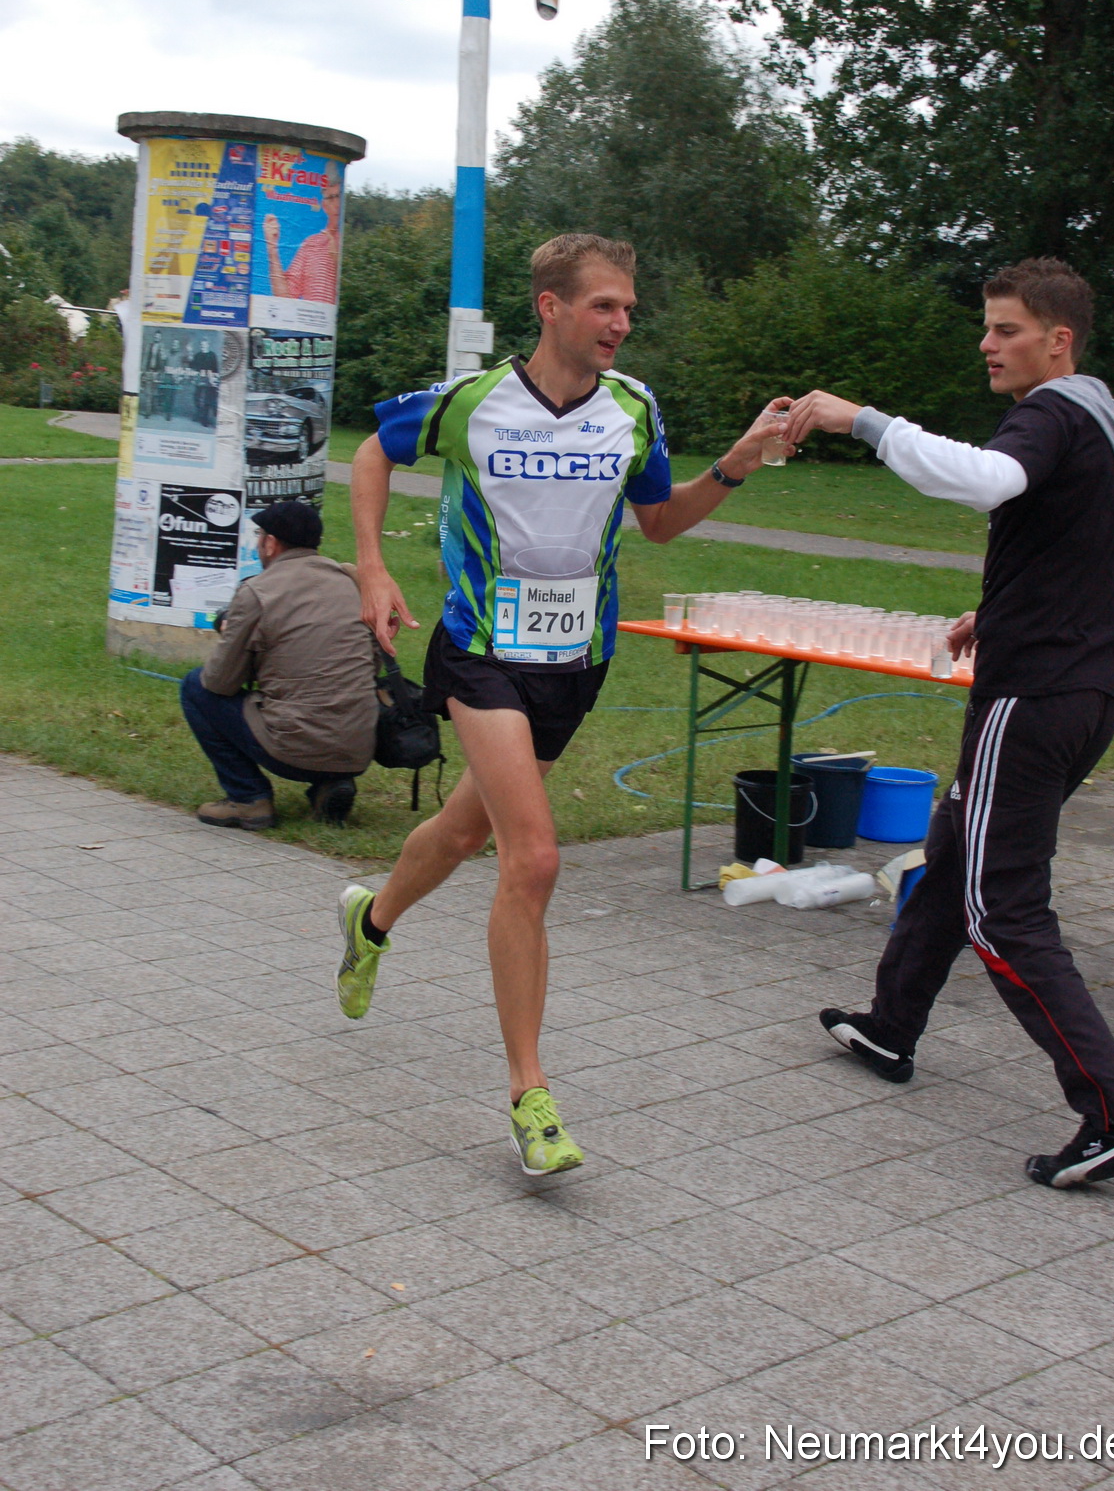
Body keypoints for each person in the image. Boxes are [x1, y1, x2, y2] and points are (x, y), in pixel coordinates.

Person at [336, 232, 785, 1176]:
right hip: (480, 653)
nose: (622, 323)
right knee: (530, 858)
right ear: (551, 307)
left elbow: (659, 522)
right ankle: (529, 1096)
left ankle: (370, 921)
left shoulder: (632, 408)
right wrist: (372, 565)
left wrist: (737, 462)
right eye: (604, 306)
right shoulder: (470, 403)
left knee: (463, 834)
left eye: (627, 308)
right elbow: (373, 453)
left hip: (577, 662)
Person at [782, 257, 1114, 1189]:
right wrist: (997, 608)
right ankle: (888, 1024)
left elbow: (985, 479)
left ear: (1056, 340)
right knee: (954, 852)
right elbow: (1074, 541)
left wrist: (860, 421)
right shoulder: (1107, 420)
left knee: (1001, 908)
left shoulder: (1050, 413)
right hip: (1082, 688)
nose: (986, 345)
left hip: (1028, 702)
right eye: (986, 327)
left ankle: (1113, 1113)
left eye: (1005, 329)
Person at [180, 500, 378, 831]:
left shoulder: (257, 592)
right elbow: (368, 663)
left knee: (193, 686)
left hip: (293, 746)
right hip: (359, 745)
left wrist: (236, 639)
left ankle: (248, 799)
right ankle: (329, 784)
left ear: (270, 543)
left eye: (259, 536)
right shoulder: (350, 581)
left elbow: (218, 683)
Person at [262, 173, 341, 305]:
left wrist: (335, 259)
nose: (337, 204)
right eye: (332, 198)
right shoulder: (312, 243)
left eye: (339, 196)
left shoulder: (349, 243)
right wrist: (272, 247)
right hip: (311, 321)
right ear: (324, 205)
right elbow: (285, 298)